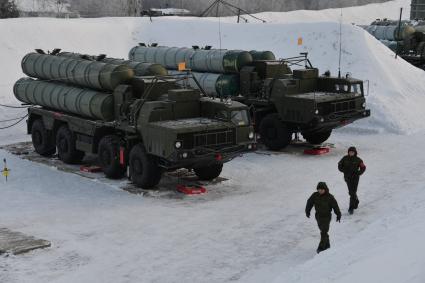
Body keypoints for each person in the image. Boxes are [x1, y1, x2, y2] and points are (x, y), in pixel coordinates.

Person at [306, 182, 341, 253]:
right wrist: (307, 211)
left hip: (327, 216)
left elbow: (335, 206)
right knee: (323, 230)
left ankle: (321, 247)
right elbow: (309, 202)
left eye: (322, 189)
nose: (320, 191)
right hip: (318, 216)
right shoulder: (315, 195)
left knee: (324, 231)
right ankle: (327, 245)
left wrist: (338, 214)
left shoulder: (330, 197)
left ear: (325, 189)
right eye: (319, 189)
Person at [338, 146, 366, 215]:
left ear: (355, 152)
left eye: (352, 152)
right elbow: (339, 165)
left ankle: (351, 208)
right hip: (347, 178)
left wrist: (359, 173)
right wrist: (343, 170)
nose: (351, 153)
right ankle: (356, 201)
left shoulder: (358, 160)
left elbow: (363, 167)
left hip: (355, 178)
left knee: (352, 192)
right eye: (350, 152)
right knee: (351, 192)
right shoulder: (345, 158)